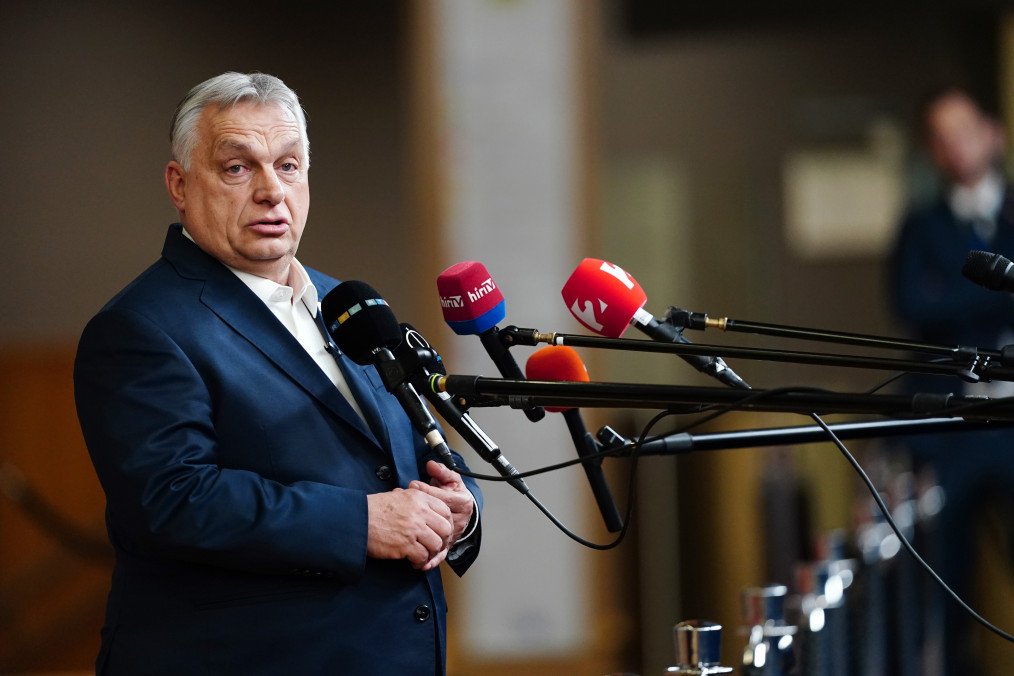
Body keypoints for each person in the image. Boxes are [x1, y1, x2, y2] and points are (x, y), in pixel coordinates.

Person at [74, 72, 482, 675]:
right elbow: (173, 499)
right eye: (238, 168)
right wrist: (362, 521)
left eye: (288, 166)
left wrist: (460, 508)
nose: (271, 191)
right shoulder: (140, 327)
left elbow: (421, 442)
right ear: (179, 185)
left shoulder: (347, 304)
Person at [888, 86, 1014, 674]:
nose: (957, 145)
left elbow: (940, 302)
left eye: (965, 128)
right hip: (954, 429)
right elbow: (913, 302)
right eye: (942, 136)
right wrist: (999, 289)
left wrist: (956, 294)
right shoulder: (920, 227)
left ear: (993, 132)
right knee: (948, 587)